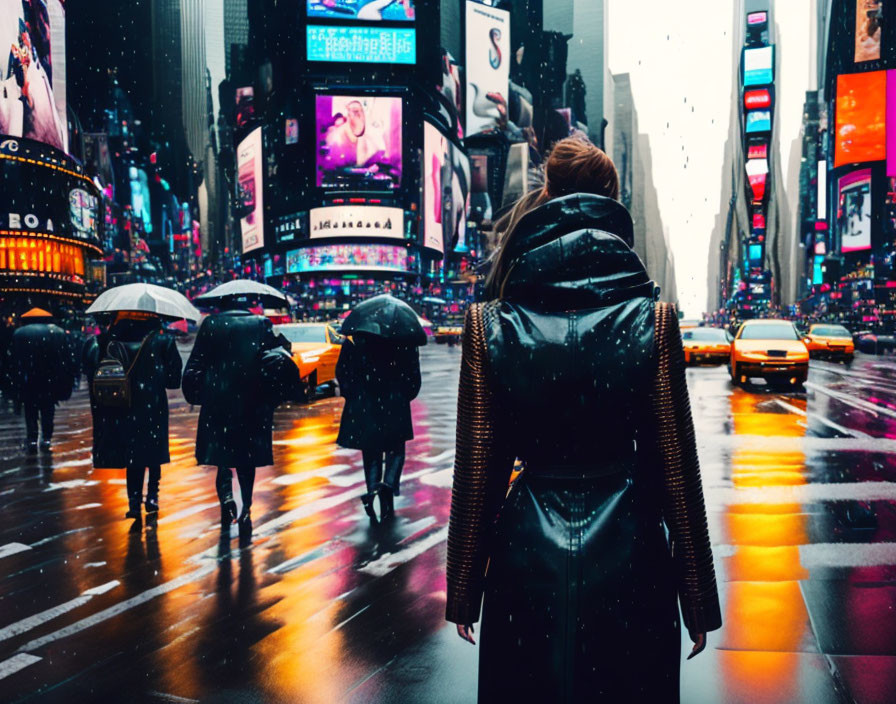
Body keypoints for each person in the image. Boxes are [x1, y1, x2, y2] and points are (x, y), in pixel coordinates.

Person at [445, 137, 721, 702]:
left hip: (526, 559)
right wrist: (697, 599)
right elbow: (677, 473)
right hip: (631, 555)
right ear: (613, 205)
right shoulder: (654, 320)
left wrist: (464, 590)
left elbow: (480, 475)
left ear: (546, 199)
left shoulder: (489, 324)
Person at [183, 301, 289, 541]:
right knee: (246, 458)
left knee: (222, 456)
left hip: (218, 399)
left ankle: (227, 499)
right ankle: (247, 508)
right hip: (251, 400)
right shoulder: (261, 323)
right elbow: (273, 359)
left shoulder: (210, 324)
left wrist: (199, 392)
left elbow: (196, 364)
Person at [84, 311, 182, 519]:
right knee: (153, 450)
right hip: (152, 403)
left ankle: (134, 502)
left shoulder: (108, 341)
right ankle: (153, 496)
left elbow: (93, 371)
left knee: (132, 454)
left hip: (122, 403)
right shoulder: (162, 340)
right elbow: (173, 380)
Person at [335, 334, 421, 522]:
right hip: (395, 403)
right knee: (396, 450)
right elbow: (414, 376)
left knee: (371, 451)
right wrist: (403, 394)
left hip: (366, 404)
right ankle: (387, 487)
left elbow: (342, 373)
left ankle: (373, 489)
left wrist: (354, 395)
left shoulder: (355, 341)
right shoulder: (404, 341)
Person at [5, 308, 76, 452]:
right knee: (48, 409)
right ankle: (46, 438)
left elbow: (12, 360)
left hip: (29, 379)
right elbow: (66, 359)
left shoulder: (19, 333)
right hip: (50, 379)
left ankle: (32, 438)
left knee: (30, 410)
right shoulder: (58, 332)